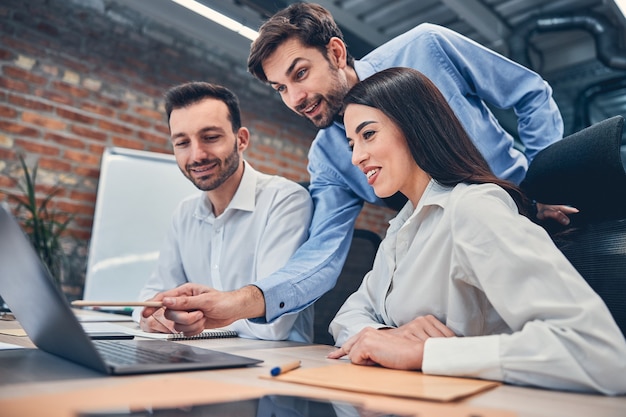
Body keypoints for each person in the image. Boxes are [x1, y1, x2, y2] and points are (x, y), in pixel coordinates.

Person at [148, 2, 576, 334]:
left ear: (335, 52)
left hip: (535, 217)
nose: (295, 98)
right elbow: (322, 254)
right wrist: (238, 302)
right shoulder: (330, 156)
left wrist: (542, 188)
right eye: (281, 88)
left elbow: (530, 94)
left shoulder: (424, 48)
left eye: (300, 74)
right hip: (447, 258)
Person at [326, 67, 626, 395]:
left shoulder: (473, 209)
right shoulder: (402, 229)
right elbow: (349, 315)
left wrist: (426, 353)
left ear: (413, 126)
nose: (356, 157)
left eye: (368, 134)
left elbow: (598, 353)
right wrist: (385, 333)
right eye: (352, 143)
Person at [136, 81, 314, 342]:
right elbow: (152, 294)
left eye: (210, 138)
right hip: (195, 355)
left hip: (273, 362)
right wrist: (151, 317)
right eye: (182, 142)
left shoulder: (285, 201)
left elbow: (273, 325)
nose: (197, 155)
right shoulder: (185, 213)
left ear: (241, 139)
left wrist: (193, 321)